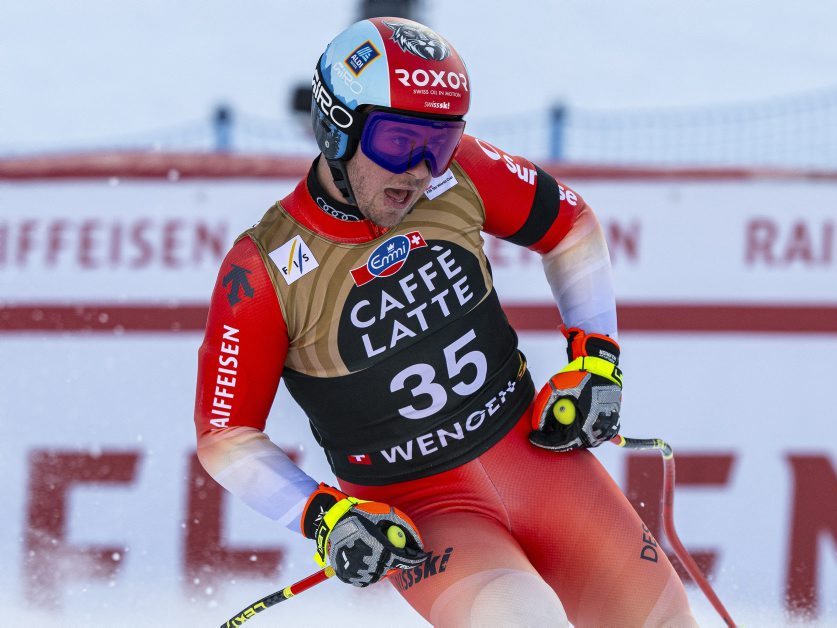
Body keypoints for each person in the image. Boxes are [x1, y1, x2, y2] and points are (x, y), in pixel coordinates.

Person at [194, 16, 697, 627]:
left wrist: (597, 357)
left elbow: (570, 226)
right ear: (336, 126)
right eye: (399, 141)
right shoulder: (263, 267)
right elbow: (225, 434)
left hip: (538, 463)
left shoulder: (457, 176)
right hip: (425, 511)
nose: (418, 170)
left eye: (439, 143)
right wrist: (323, 515)